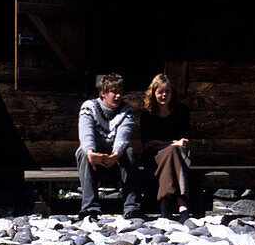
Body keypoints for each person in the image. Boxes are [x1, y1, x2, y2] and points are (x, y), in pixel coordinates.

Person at [75, 74, 142, 219]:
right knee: (83, 153)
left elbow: (123, 135)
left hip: (116, 156)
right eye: (114, 92)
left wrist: (115, 155)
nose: (118, 96)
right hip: (95, 154)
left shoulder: (127, 110)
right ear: (103, 93)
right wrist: (91, 153)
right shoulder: (89, 107)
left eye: (120, 92)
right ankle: (90, 208)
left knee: (130, 152)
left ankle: (132, 207)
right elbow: (86, 132)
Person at [139, 73, 192, 218]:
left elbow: (184, 139)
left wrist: (173, 145)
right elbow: (148, 144)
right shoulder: (147, 115)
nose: (164, 95)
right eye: (160, 92)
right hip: (154, 157)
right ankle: (182, 204)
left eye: (167, 91)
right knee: (170, 152)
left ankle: (165, 205)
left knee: (172, 153)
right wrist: (170, 144)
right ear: (153, 93)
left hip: (178, 156)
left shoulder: (181, 111)